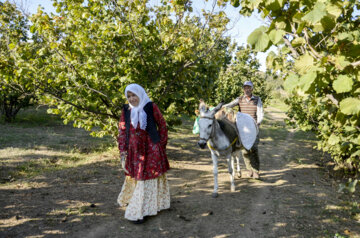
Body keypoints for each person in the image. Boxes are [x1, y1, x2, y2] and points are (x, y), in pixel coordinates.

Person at [117, 83, 170, 224]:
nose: (132, 98)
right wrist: (122, 149)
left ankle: (141, 210)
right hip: (134, 150)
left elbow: (162, 125)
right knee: (137, 176)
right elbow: (122, 130)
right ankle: (139, 202)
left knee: (147, 178)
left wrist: (161, 145)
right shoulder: (126, 110)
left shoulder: (150, 106)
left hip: (151, 150)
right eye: (129, 96)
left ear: (140, 93)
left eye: (134, 95)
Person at [223, 81, 264, 179]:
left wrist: (258, 122)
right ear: (243, 89)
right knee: (245, 150)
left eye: (249, 87)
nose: (247, 89)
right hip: (242, 128)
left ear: (252, 89)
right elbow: (228, 105)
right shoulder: (240, 99)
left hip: (253, 127)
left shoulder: (257, 99)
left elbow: (260, 112)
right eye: (245, 87)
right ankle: (249, 170)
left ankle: (256, 171)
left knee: (253, 148)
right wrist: (220, 108)